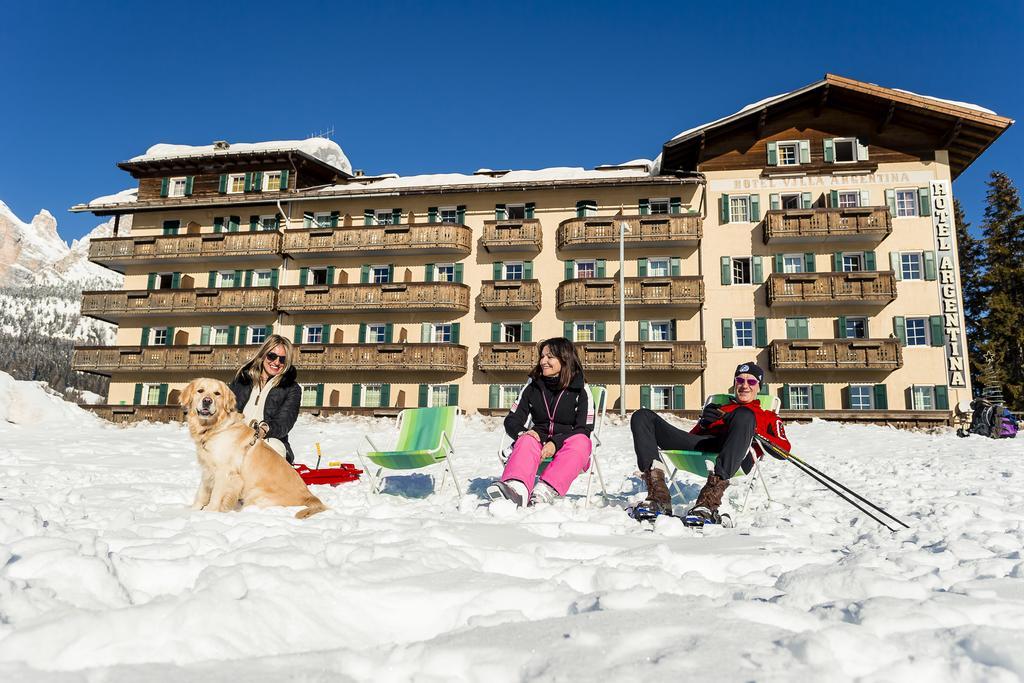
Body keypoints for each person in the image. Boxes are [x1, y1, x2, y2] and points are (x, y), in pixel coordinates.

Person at [630, 361, 790, 524]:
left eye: (751, 381)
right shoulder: (719, 409)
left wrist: (752, 428)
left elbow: (784, 451)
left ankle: (708, 503)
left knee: (744, 415)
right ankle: (659, 498)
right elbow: (692, 438)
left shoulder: (768, 416)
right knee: (642, 416)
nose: (745, 386)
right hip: (703, 447)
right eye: (740, 380)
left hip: (734, 455)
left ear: (759, 386)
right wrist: (705, 423)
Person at [486, 337, 593, 507]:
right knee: (527, 439)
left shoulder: (581, 389)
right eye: (542, 357)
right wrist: (523, 433)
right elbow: (513, 419)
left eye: (549, 357)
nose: (543, 361)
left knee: (582, 441)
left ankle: (545, 490)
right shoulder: (533, 386)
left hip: (568, 447)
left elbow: (584, 429)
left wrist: (555, 443)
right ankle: (516, 489)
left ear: (564, 359)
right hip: (538, 441)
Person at [229, 334, 302, 464]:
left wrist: (264, 429)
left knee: (274, 447)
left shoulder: (291, 388)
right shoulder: (242, 380)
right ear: (263, 355)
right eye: (272, 356)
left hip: (266, 440)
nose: (276, 362)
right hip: (237, 438)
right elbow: (227, 409)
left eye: (282, 359)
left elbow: (284, 422)